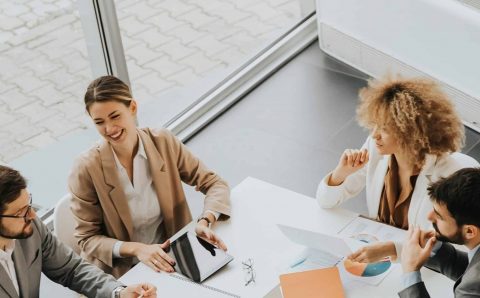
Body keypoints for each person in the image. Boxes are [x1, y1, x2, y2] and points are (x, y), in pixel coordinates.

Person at [68, 75, 231, 278]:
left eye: (115, 116)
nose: (109, 129)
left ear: (133, 108)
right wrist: (137, 249)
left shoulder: (162, 142)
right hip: (120, 272)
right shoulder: (86, 168)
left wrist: (204, 221)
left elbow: (214, 183)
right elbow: (87, 239)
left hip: (172, 258)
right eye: (99, 122)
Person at [317, 76, 479, 261]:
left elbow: (455, 246)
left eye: (384, 128)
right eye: (374, 124)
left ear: (410, 132)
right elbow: (325, 201)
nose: (374, 134)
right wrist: (341, 173)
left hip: (424, 267)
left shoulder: (456, 172)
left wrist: (391, 249)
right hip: (379, 257)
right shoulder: (376, 149)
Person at [0, 165, 156, 298]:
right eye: (20, 212)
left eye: (29, 203)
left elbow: (72, 269)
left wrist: (118, 293)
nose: (33, 215)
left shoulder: (31, 228)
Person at [399, 167, 480, 298]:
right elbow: (472, 269)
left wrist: (410, 273)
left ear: (470, 231)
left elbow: (473, 281)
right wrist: (435, 248)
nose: (429, 217)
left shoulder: (472, 290)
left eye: (439, 216)